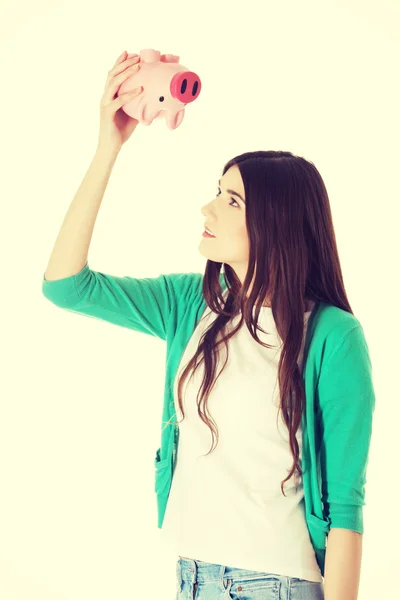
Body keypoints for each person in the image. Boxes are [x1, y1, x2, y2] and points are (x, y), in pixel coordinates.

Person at [42, 50, 375, 600]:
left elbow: (345, 510)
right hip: (192, 578)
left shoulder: (334, 338)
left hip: (278, 586)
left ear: (277, 224)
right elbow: (65, 285)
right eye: (217, 192)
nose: (208, 210)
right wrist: (109, 147)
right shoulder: (190, 306)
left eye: (231, 200)